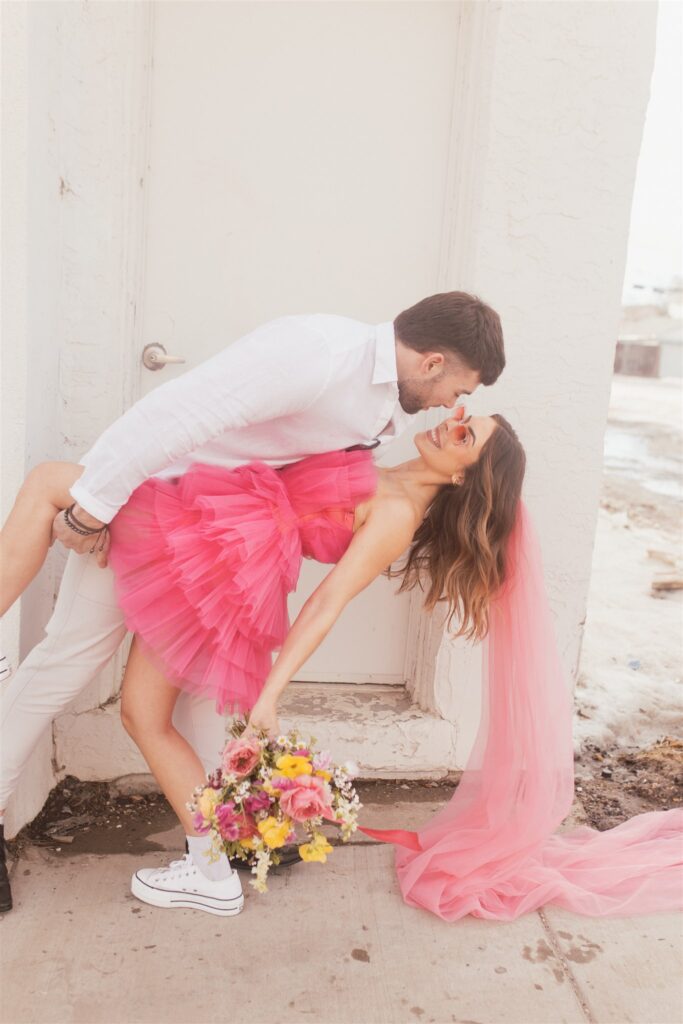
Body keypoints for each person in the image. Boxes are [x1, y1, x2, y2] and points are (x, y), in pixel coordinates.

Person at [0, 291, 506, 914]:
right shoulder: (323, 359)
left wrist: (271, 693)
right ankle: (225, 847)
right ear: (430, 362)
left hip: (211, 547)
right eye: (460, 394)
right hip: (194, 521)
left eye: (466, 422)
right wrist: (101, 499)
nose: (453, 408)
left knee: (119, 689)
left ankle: (212, 866)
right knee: (125, 682)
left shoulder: (396, 471)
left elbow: (327, 602)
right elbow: (177, 413)